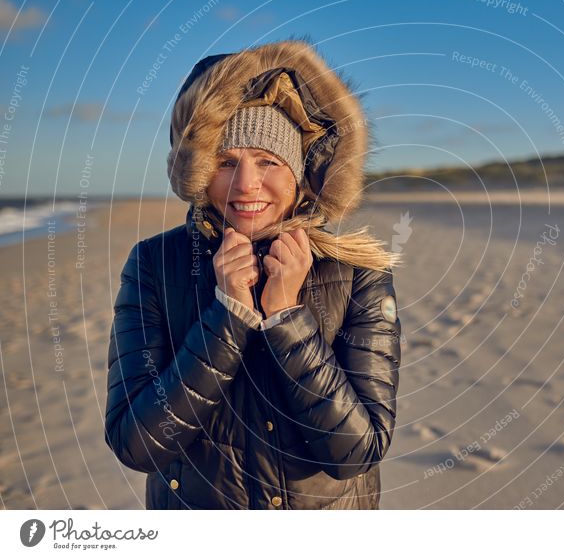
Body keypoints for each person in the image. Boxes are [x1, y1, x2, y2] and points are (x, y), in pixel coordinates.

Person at [104, 39, 402, 510]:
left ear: (302, 172)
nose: (246, 185)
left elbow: (356, 452)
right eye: (226, 162)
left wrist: (287, 318)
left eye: (268, 161)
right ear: (200, 171)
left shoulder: (357, 273)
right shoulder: (155, 265)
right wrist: (228, 316)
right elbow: (135, 444)